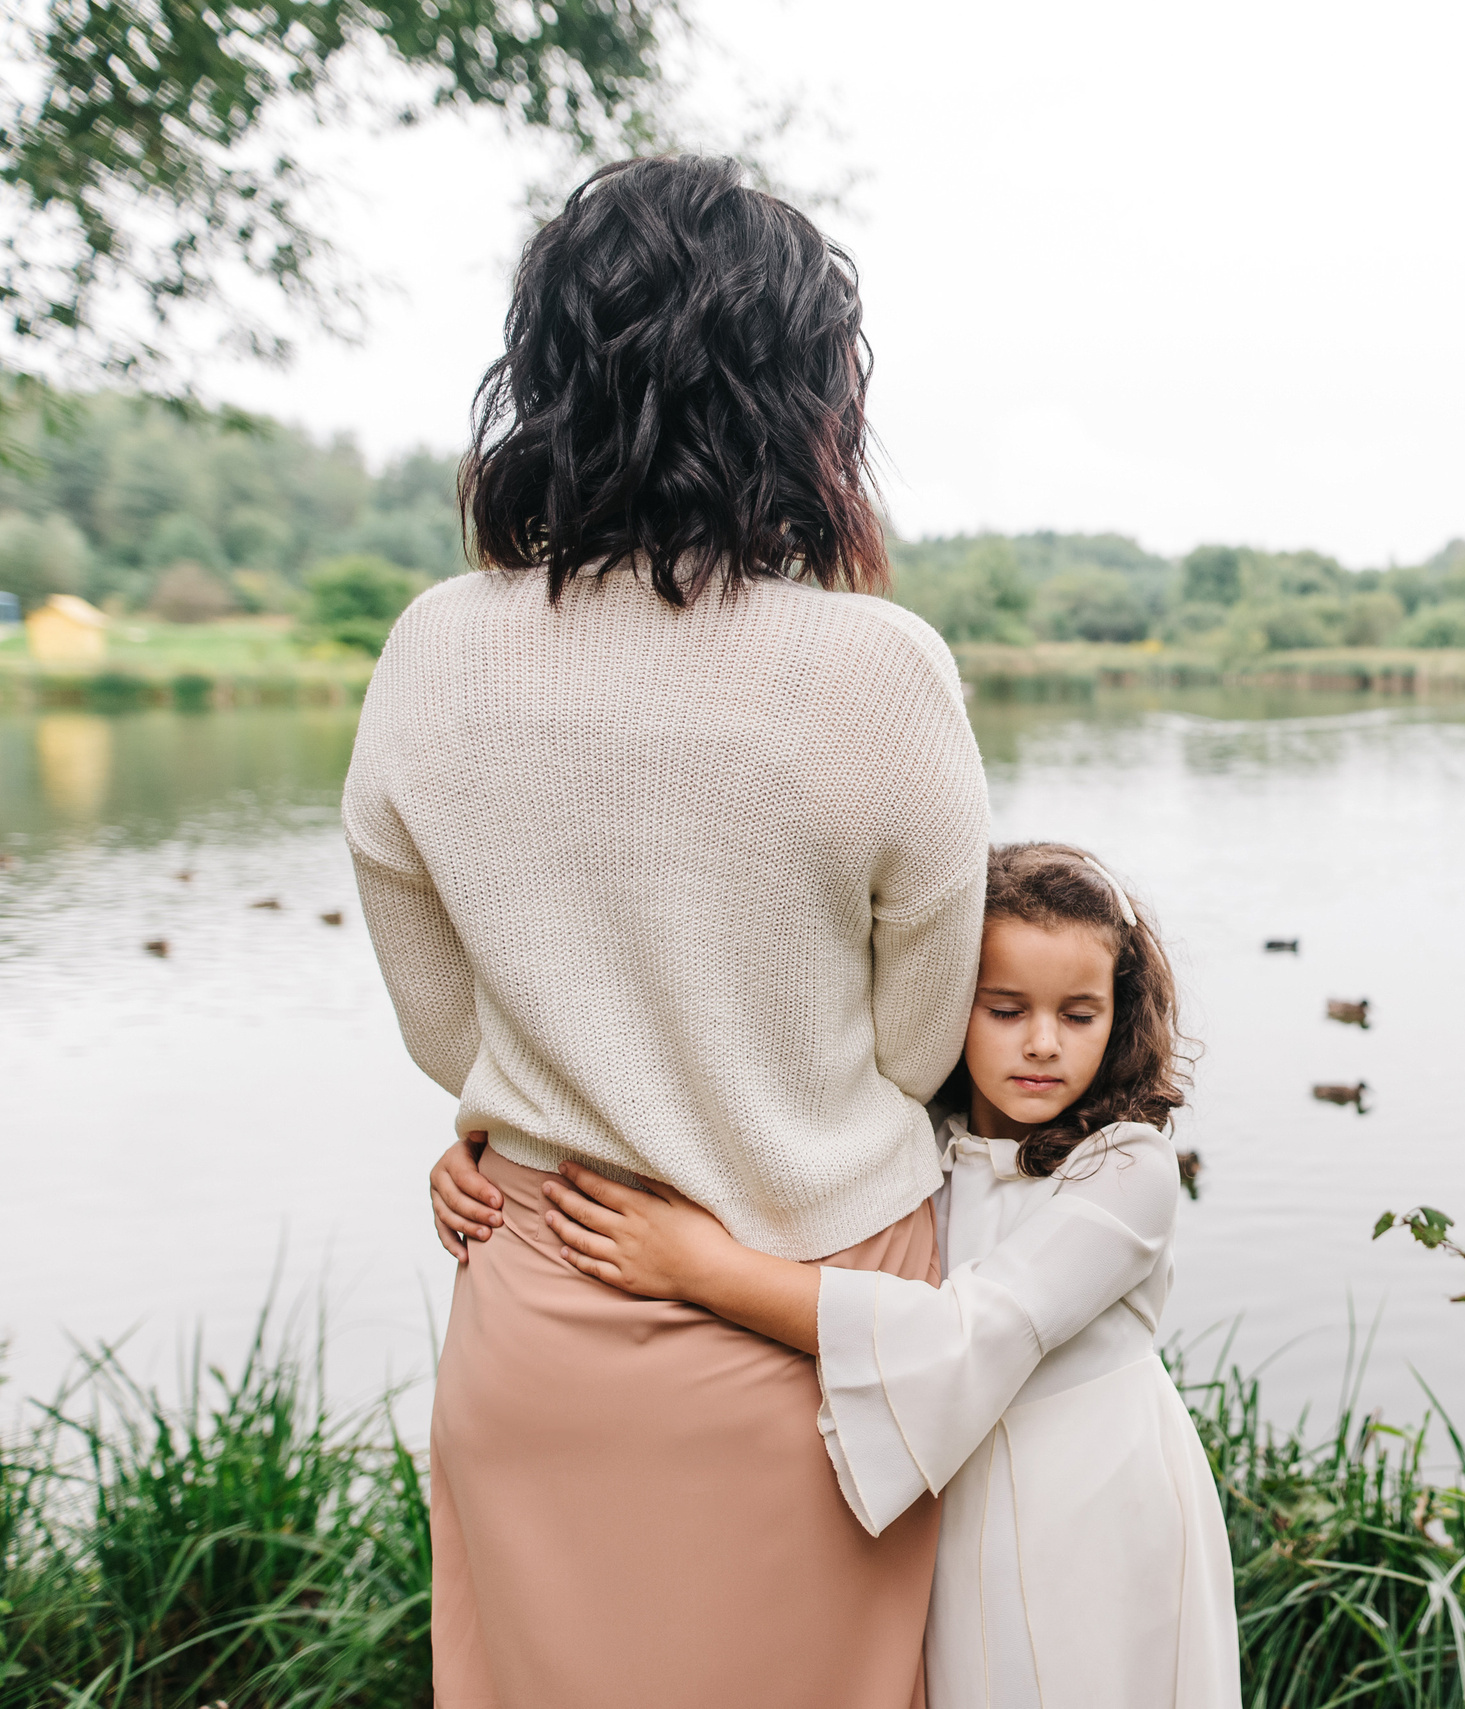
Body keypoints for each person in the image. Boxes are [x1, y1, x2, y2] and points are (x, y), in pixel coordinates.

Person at [355, 155, 990, 1709]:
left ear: (548, 372)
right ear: (804, 397)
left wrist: (567, 1091)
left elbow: (445, 1020)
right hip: (815, 1332)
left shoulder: (435, 651)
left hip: (540, 1300)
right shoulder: (879, 671)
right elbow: (920, 1039)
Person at [511, 843, 1241, 1708]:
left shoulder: (1129, 1169)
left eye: (1078, 1015)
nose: (1042, 1043)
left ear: (1117, 1019)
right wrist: (486, 1152)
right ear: (949, 1006)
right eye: (1005, 1009)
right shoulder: (912, 1144)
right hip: (958, 1493)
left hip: (1096, 1498)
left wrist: (702, 1269)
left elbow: (965, 1331)